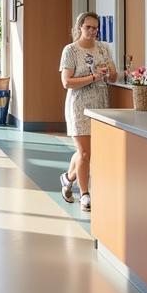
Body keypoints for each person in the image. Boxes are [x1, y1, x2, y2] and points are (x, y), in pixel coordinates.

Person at [58, 12, 116, 213]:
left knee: (89, 153)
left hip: (101, 104)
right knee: (84, 152)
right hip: (79, 105)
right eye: (88, 27)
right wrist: (92, 77)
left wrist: (109, 73)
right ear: (80, 27)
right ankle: (85, 194)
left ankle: (68, 179)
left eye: (95, 27)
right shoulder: (71, 51)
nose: (92, 31)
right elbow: (66, 82)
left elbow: (114, 76)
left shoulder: (104, 48)